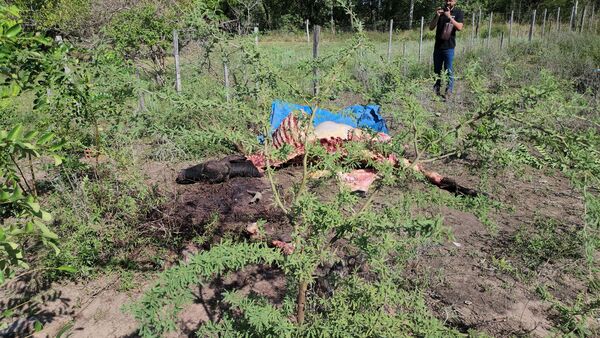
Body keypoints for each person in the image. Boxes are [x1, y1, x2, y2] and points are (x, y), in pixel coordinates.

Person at [429, 0, 464, 98]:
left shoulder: (458, 12)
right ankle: (436, 90)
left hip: (449, 47)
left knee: (448, 70)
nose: (448, 2)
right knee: (437, 70)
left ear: (455, 1)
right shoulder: (440, 11)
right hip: (438, 47)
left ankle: (449, 92)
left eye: (450, 0)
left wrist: (449, 17)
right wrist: (437, 16)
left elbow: (460, 27)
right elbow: (431, 27)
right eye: (446, 0)